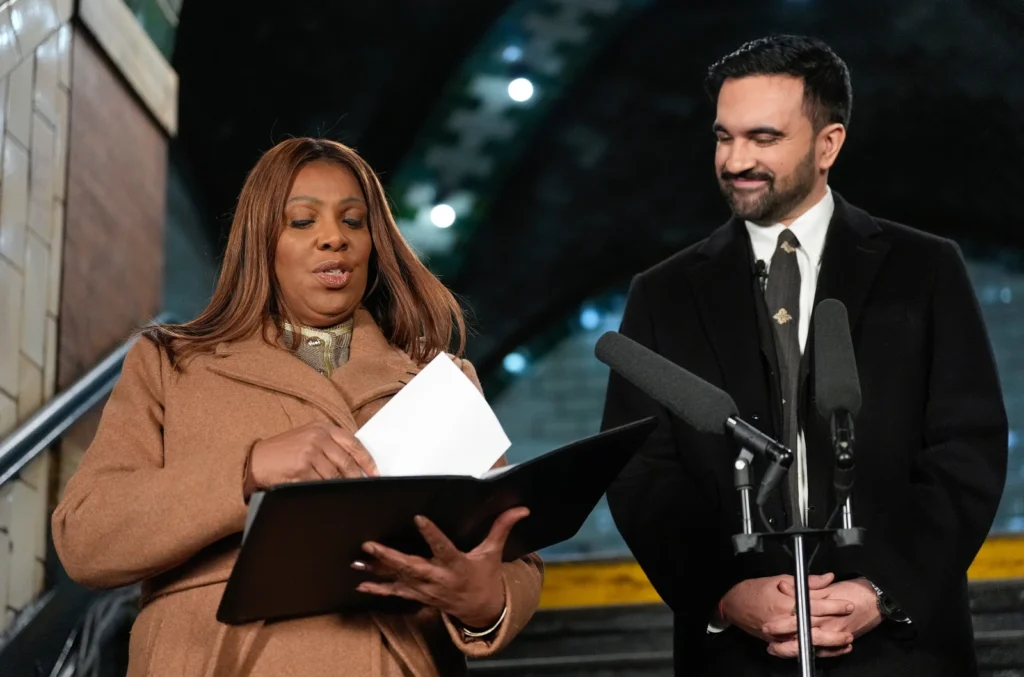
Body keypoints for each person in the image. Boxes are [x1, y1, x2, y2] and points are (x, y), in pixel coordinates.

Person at [52, 137, 543, 677]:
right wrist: (250, 467)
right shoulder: (170, 364)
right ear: (262, 240)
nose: (334, 239)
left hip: (394, 656)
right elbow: (86, 539)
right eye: (303, 222)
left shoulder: (440, 381)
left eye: (354, 222)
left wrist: (484, 604)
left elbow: (511, 550)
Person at [603, 35, 1007, 677]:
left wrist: (877, 590)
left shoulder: (924, 269)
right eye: (723, 136)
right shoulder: (663, 294)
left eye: (763, 138)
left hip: (902, 652)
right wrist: (727, 592)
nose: (736, 160)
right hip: (736, 656)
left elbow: (968, 451)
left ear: (829, 144)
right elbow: (642, 474)